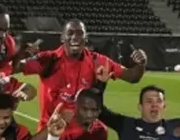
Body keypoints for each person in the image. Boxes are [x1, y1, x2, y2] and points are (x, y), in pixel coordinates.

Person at [18, 20, 146, 127]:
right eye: (70, 33)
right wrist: (20, 54)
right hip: (51, 133)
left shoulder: (98, 61)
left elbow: (133, 76)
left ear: (86, 38)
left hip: (83, 136)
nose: (75, 37)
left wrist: (141, 63)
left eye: (80, 33)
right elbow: (15, 67)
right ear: (62, 38)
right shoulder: (48, 59)